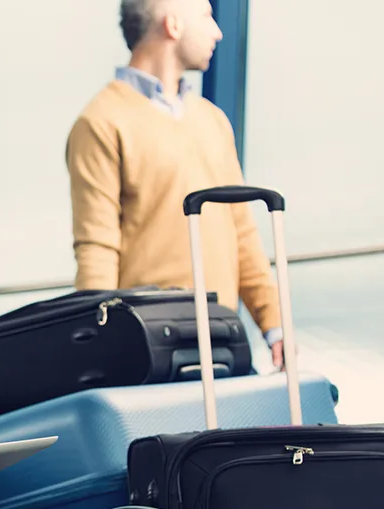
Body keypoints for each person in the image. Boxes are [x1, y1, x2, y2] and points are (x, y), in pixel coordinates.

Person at [65, 0, 285, 368]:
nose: (218, 32)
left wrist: (275, 325)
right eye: (206, 16)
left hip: (224, 338)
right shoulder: (101, 122)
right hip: (148, 346)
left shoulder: (212, 120)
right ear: (173, 25)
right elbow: (97, 247)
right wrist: (98, 349)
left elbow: (242, 233)